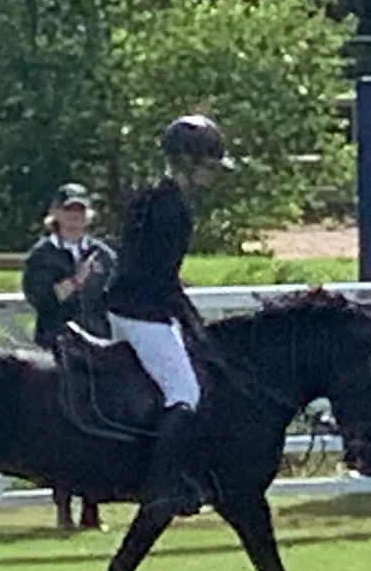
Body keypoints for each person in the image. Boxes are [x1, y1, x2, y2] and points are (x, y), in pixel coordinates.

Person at [106, 113, 235, 520]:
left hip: (125, 303)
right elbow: (160, 277)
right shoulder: (172, 209)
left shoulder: (151, 196)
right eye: (209, 163)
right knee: (186, 392)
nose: (214, 173)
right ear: (188, 161)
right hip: (143, 311)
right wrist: (189, 317)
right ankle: (166, 483)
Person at [23, 183, 117, 534]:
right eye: (69, 211)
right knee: (60, 427)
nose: (75, 218)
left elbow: (115, 295)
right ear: (57, 215)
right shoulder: (42, 256)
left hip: (98, 347)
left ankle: (92, 508)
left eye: (80, 211)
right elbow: (41, 299)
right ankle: (63, 507)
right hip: (57, 347)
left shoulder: (103, 255)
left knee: (100, 424)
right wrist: (74, 282)